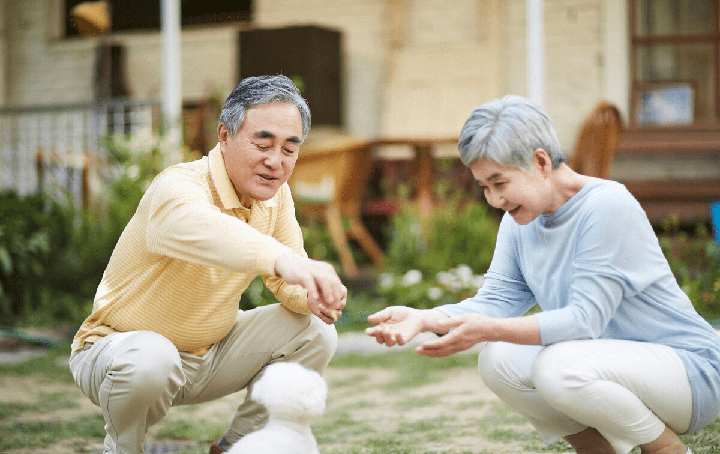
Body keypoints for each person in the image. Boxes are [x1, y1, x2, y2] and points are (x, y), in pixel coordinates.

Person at [366, 95, 720, 454]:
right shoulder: (519, 221)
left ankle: (665, 450)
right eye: (484, 187)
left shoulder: (606, 205)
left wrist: (488, 329)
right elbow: (497, 302)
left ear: (540, 162)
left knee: (557, 366)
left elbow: (585, 321)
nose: (493, 199)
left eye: (499, 183)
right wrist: (424, 318)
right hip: (613, 366)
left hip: (690, 374)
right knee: (498, 360)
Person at [69, 74, 347, 454]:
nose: (275, 161)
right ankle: (122, 448)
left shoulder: (275, 198)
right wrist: (282, 260)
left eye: (289, 149)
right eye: (263, 143)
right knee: (152, 356)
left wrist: (312, 296)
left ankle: (237, 446)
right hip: (118, 355)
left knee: (316, 330)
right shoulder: (178, 186)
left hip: (209, 355)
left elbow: (287, 282)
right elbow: (208, 230)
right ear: (224, 136)